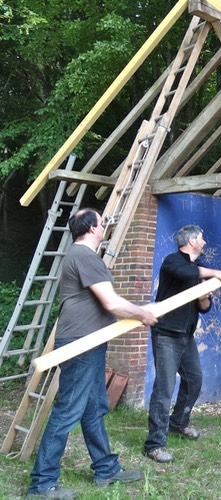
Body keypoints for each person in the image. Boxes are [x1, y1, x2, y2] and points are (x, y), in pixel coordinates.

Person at [28, 209, 158, 499]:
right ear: (91, 228)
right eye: (102, 222)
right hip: (81, 342)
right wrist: (143, 314)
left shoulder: (79, 256)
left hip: (90, 341)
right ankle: (42, 484)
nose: (105, 226)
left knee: (93, 407)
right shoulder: (85, 256)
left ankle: (106, 468)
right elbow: (111, 302)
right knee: (68, 410)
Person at [144, 224, 221, 463]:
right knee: (164, 388)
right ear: (191, 241)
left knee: (194, 379)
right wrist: (215, 273)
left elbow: (204, 308)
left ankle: (178, 422)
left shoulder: (196, 270)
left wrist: (203, 297)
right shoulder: (173, 262)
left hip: (185, 336)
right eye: (202, 238)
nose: (205, 242)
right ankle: (154, 444)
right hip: (167, 334)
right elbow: (188, 274)